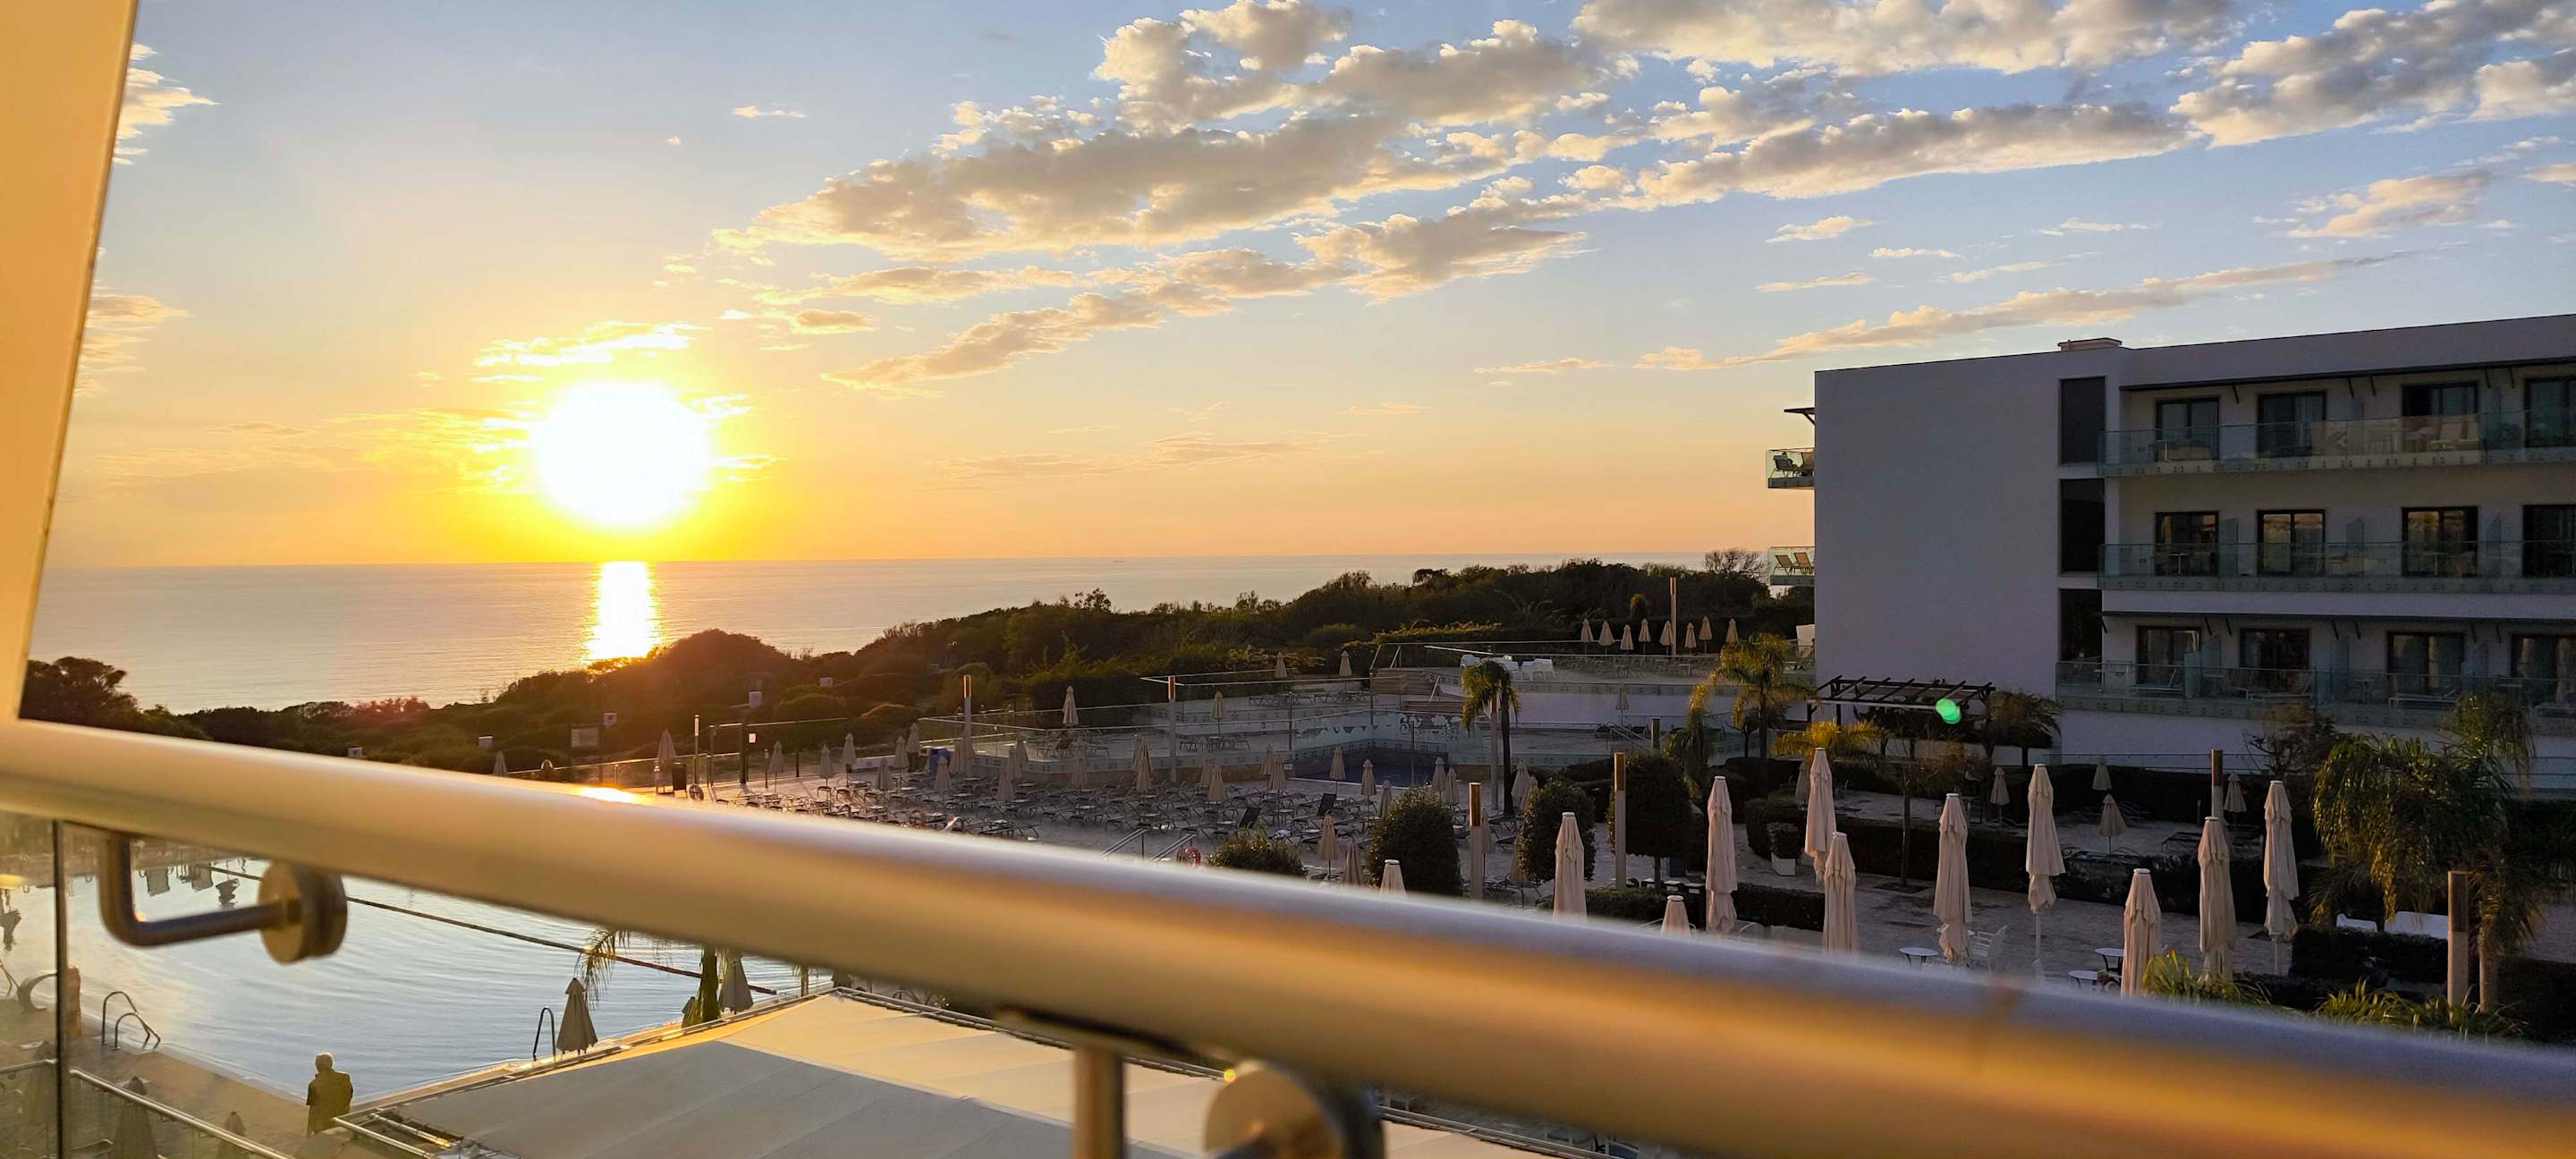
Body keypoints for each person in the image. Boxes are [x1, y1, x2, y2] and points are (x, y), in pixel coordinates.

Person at [305, 1053, 351, 1134]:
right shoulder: (345, 1077)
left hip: (323, 1126)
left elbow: (313, 1110)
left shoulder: (314, 1084)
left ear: (318, 1065)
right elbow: (349, 1097)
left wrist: (308, 1132)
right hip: (342, 1122)